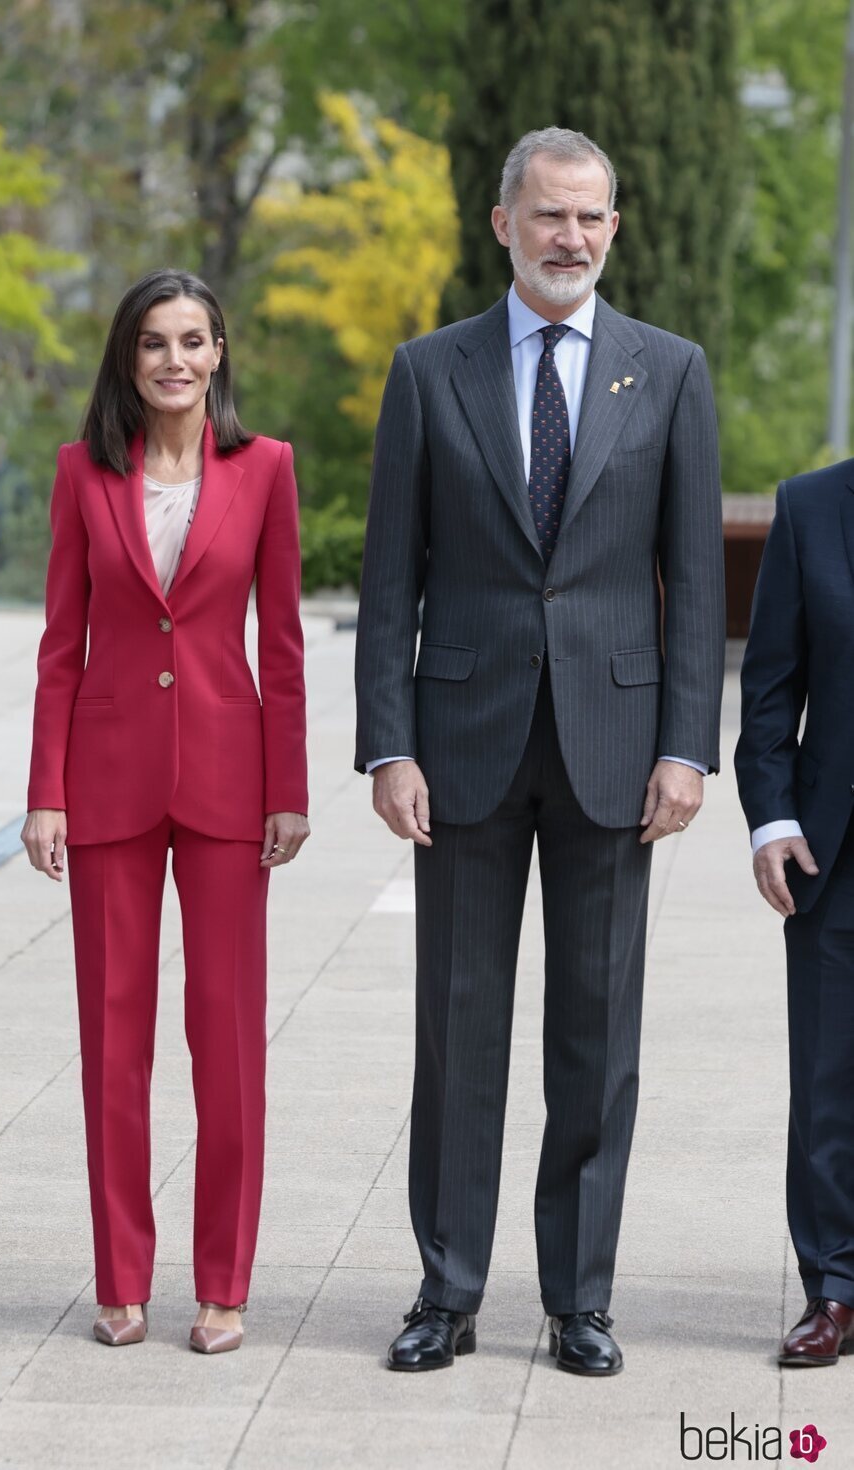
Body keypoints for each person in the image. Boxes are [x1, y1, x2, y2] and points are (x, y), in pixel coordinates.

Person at [355, 127, 725, 1376]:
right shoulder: (427, 370)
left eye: (592, 218)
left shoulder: (667, 372)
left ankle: (579, 1300)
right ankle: (446, 1292)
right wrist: (384, 747)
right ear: (502, 222)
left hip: (615, 752)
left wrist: (686, 747)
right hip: (458, 743)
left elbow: (688, 579)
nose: (571, 237)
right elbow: (390, 571)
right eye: (549, 215)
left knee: (595, 1033)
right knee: (455, 1033)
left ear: (613, 231)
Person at [22, 269, 309, 1353]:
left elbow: (279, 646)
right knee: (113, 1037)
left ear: (219, 352)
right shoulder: (80, 475)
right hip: (106, 780)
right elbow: (59, 648)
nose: (174, 361)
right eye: (153, 343)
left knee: (226, 1037)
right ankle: (121, 1277)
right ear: (127, 360)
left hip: (233, 781)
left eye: (192, 341)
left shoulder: (266, 469)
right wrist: (44, 793)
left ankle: (224, 1283)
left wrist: (290, 788)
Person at [735, 462, 854, 1366]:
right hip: (833, 845)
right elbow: (771, 683)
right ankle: (836, 1291)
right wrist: (771, 817)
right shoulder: (810, 507)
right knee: (826, 1081)